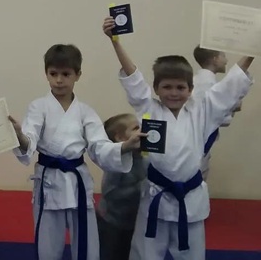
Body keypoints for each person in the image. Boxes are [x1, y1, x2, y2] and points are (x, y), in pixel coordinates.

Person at [102, 16, 254, 260]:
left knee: (192, 256)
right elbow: (133, 78)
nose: (174, 93)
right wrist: (115, 42)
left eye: (180, 87)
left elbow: (231, 85)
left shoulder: (202, 111)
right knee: (144, 255)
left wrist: (253, 50)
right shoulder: (149, 109)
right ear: (156, 88)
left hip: (190, 200)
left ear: (190, 89)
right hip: (156, 198)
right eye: (167, 87)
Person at [9, 44, 139, 260]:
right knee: (47, 246)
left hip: (77, 182)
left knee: (87, 245)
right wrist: (18, 135)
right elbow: (29, 139)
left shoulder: (86, 112)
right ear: (46, 74)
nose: (59, 80)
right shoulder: (38, 107)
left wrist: (125, 146)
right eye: (53, 74)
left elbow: (99, 146)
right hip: (48, 182)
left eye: (66, 74)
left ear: (78, 74)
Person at [96, 113, 148, 260]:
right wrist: (142, 187)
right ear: (120, 138)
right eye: (136, 128)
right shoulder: (117, 163)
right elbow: (110, 193)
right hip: (112, 223)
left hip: (134, 221)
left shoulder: (144, 155)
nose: (142, 130)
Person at [191, 45, 242, 180]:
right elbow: (210, 114)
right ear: (214, 59)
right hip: (198, 143)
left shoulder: (203, 81)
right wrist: (232, 106)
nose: (226, 60)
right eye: (223, 56)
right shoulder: (205, 83)